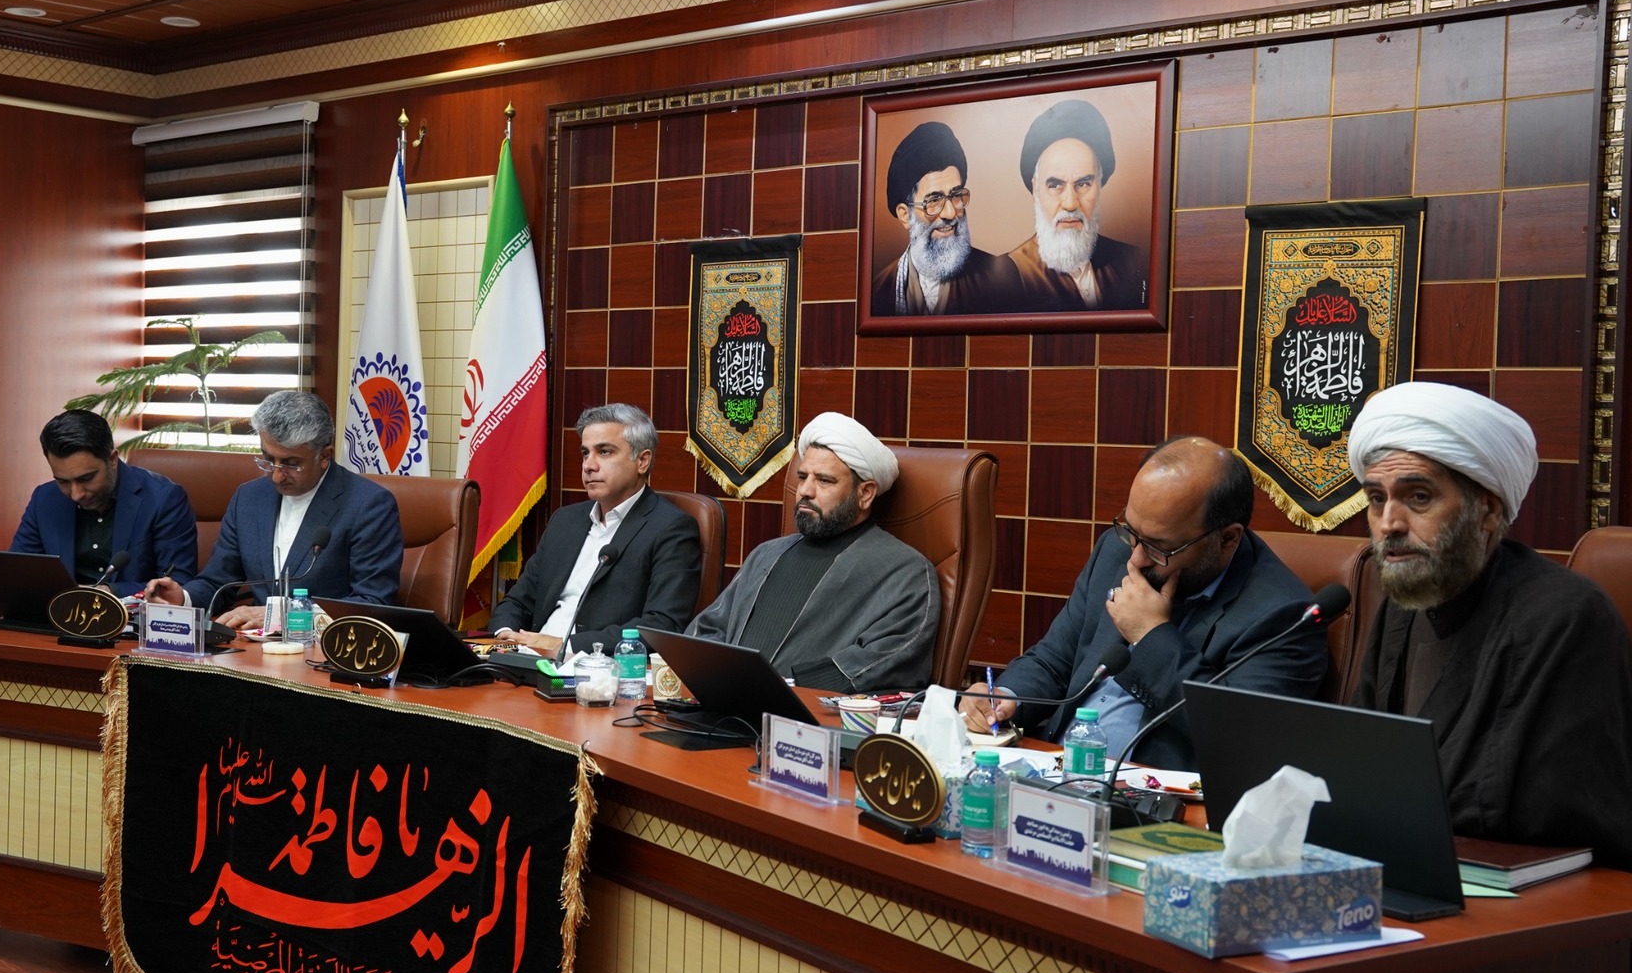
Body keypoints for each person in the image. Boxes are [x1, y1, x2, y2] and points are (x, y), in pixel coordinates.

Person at [1346, 382, 1632, 868]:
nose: (1389, 523)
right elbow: (1361, 756)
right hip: (1402, 865)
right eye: (1376, 499)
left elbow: (1559, 816)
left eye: (1418, 497)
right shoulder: (1403, 605)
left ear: (1488, 510)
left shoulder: (1565, 616)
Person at [966, 436, 1326, 770]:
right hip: (1055, 771)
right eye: (1131, 531)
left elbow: (1241, 739)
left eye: (1159, 546)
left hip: (1157, 802)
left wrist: (1151, 636)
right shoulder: (1117, 549)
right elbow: (1055, 660)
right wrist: (1005, 698)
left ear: (1227, 539)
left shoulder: (1283, 615)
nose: (1136, 559)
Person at [686, 413, 937, 692]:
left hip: (808, 714)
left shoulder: (906, 572)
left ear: (865, 493)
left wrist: (787, 688)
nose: (805, 490)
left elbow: (885, 660)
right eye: (802, 477)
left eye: (824, 481)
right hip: (719, 702)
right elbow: (708, 630)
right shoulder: (767, 554)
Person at [145, 390, 403, 629]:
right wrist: (183, 599)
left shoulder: (368, 505)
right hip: (251, 649)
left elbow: (372, 603)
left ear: (325, 456)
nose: (277, 476)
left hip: (322, 650)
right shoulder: (249, 497)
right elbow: (218, 581)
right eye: (268, 460)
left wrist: (280, 616)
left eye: (291, 464)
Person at [492, 404, 701, 660]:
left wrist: (563, 645)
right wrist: (506, 638)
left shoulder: (671, 528)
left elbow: (661, 626)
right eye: (585, 453)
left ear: (642, 461)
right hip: (524, 658)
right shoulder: (565, 521)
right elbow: (518, 601)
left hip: (594, 668)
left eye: (604, 452)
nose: (589, 466)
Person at [10, 409, 197, 597]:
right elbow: (17, 573)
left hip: (131, 613)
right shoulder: (45, 498)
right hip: (59, 612)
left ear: (112, 459)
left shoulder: (164, 499)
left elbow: (177, 585)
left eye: (86, 478)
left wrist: (108, 592)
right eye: (63, 481)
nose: (76, 494)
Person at [1003, 99, 1147, 311]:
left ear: (1099, 186)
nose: (1070, 204)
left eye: (1083, 184)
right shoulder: (1009, 275)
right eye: (1055, 185)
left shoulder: (1133, 261)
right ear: (1036, 190)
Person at [870, 121, 1020, 316]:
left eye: (956, 196)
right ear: (905, 215)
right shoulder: (879, 292)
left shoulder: (999, 277)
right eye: (934, 200)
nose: (950, 213)